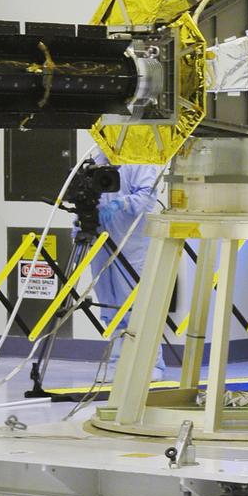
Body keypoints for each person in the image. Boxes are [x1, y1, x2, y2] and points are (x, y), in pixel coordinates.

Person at [91, 162, 164, 381]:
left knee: (135, 304)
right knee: (109, 305)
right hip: (100, 241)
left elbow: (148, 197)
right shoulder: (98, 158)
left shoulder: (139, 162)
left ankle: (151, 365)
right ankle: (117, 364)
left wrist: (120, 204)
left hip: (131, 244)